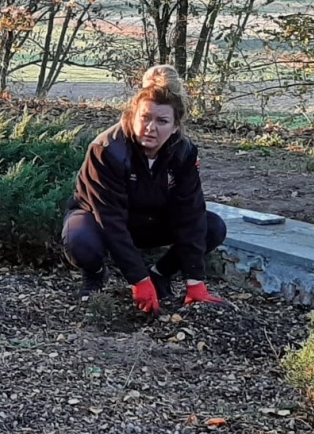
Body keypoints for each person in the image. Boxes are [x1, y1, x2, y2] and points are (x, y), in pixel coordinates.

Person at [63, 67, 228, 313]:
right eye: (145, 118)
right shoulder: (107, 149)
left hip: (150, 221)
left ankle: (160, 275)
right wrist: (138, 281)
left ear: (175, 126)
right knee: (80, 241)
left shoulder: (184, 152)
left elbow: (190, 211)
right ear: (132, 116)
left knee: (212, 227)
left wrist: (196, 281)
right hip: (100, 220)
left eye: (161, 121)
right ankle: (95, 275)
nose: (151, 127)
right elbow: (110, 219)